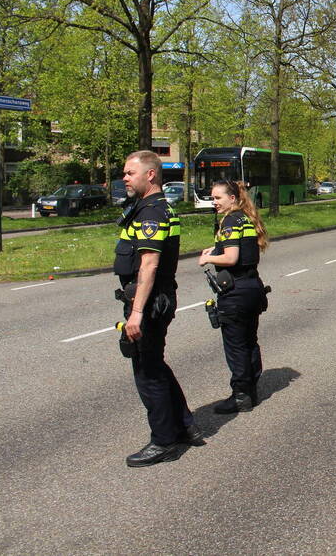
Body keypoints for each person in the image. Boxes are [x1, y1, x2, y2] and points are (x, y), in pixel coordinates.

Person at [114, 151, 201, 468]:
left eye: (129, 172)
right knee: (154, 363)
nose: (124, 177)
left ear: (150, 175)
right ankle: (185, 424)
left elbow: (149, 265)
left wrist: (136, 313)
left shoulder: (152, 212)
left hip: (149, 301)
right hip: (153, 298)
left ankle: (165, 441)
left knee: (147, 372)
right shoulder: (148, 208)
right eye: (124, 172)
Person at [199, 180, 270, 414]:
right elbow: (242, 251)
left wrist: (208, 258)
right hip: (252, 288)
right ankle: (251, 391)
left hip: (236, 292)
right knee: (249, 341)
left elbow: (231, 258)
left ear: (232, 198)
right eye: (212, 198)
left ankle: (240, 396)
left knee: (236, 346)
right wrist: (215, 249)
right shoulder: (245, 218)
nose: (214, 202)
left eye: (218, 197)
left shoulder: (229, 221)